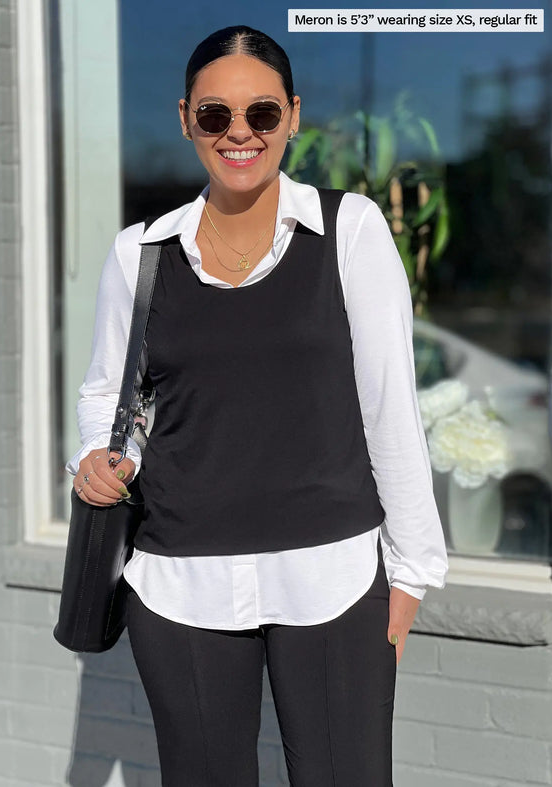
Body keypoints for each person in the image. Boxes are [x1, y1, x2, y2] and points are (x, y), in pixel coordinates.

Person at [67, 25, 448, 787]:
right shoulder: (141, 255)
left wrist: (410, 577)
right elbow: (111, 392)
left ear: (293, 115)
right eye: (215, 115)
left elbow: (390, 409)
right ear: (185, 118)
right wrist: (95, 460)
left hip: (334, 576)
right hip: (178, 583)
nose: (239, 133)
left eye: (262, 114)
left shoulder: (350, 231)